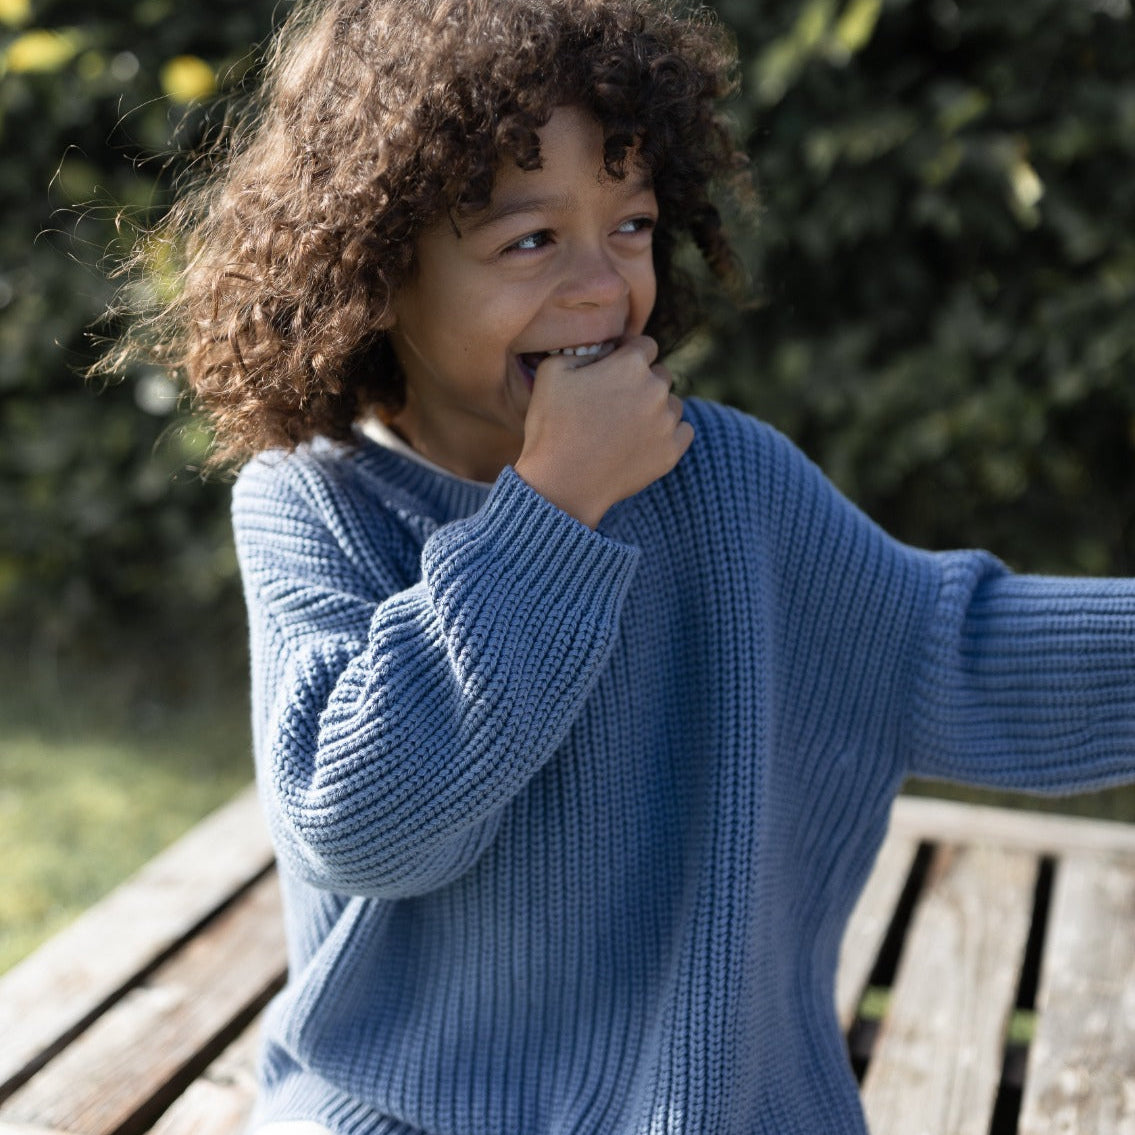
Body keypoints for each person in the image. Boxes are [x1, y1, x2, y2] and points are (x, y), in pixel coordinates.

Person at [108, 0, 1135, 1131]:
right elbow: (359, 824)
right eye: (530, 240)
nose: (601, 286)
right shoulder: (314, 503)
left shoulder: (726, 481)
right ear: (378, 268)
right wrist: (552, 509)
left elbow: (957, 655)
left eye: (632, 224)